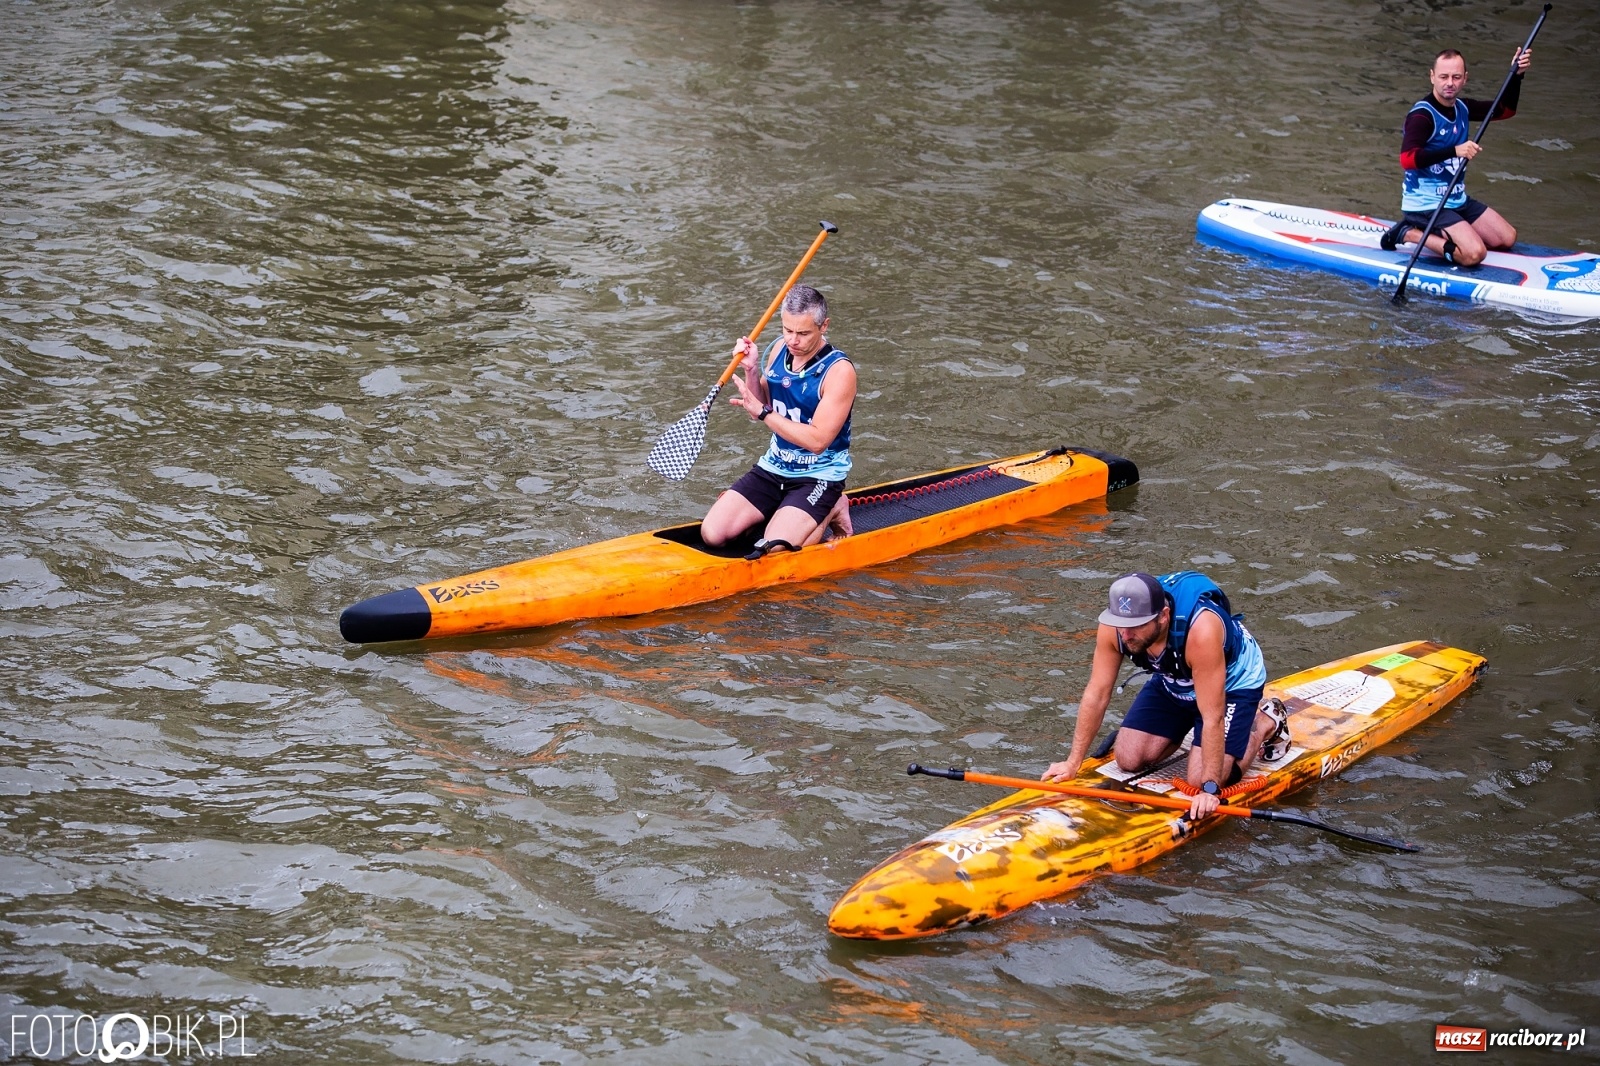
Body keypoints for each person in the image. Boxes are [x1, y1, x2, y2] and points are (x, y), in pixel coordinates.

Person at [1042, 572, 1291, 820]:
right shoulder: (1115, 626)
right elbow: (1097, 693)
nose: (1126, 635)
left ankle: (1265, 724)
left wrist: (1210, 789)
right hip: (1175, 678)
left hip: (1232, 682)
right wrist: (1073, 763)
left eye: (1136, 626)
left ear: (1163, 616)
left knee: (1198, 778)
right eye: (1122, 625)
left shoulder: (1200, 630)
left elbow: (1212, 716)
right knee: (1128, 757)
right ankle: (1188, 730)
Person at [699, 285, 856, 556]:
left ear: (824, 326)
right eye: (787, 330)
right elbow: (761, 407)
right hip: (775, 466)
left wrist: (763, 412)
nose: (793, 340)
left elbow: (817, 441)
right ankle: (785, 509)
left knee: (775, 550)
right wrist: (750, 370)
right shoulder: (780, 351)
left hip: (818, 475)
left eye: (803, 333)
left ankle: (831, 507)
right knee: (712, 535)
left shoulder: (839, 371)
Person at [1380, 46, 1533, 267]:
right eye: (1443, 76)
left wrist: (1517, 76)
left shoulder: (1464, 108)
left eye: (1456, 77)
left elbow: (1505, 111)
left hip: (1456, 199)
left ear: (1465, 79)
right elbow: (1407, 159)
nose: (1449, 83)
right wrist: (1455, 150)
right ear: (1432, 77)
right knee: (1473, 254)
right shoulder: (1422, 116)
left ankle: (1444, 231)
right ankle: (1408, 233)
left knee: (1506, 238)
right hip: (1426, 204)